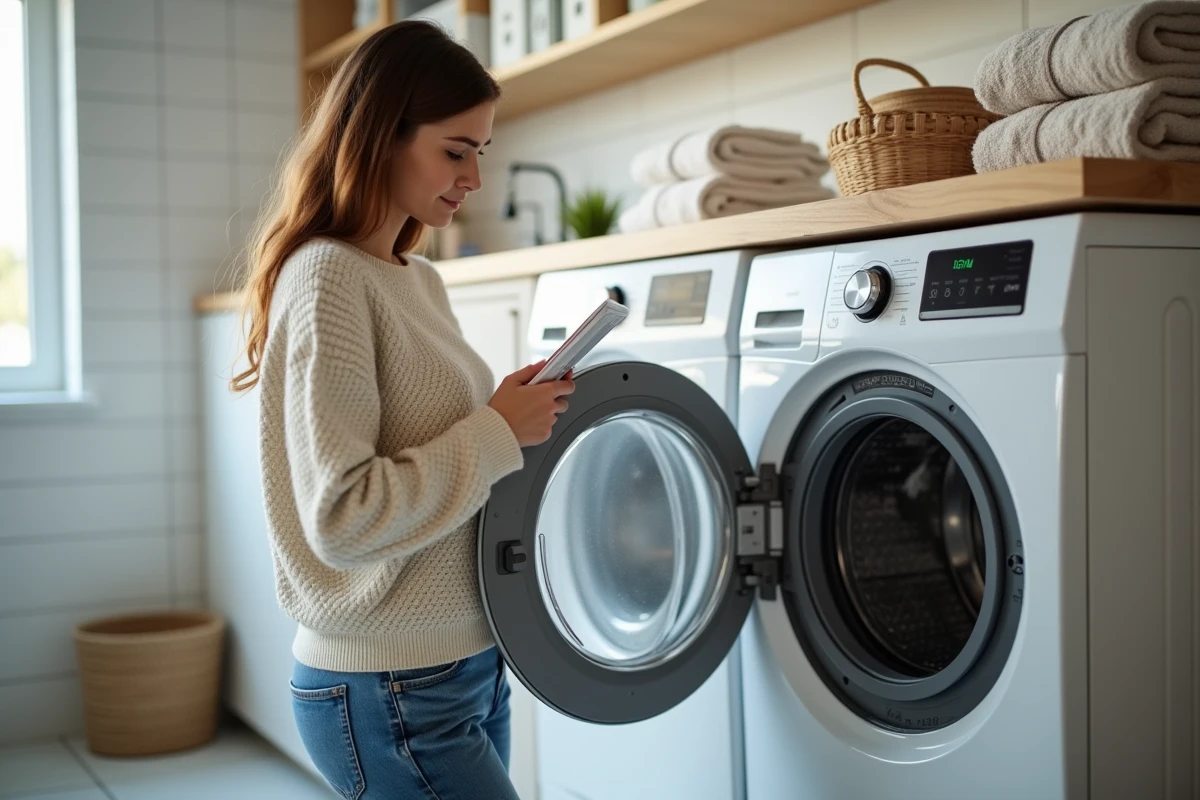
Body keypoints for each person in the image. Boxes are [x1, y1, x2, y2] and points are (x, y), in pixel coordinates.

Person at [229, 20, 575, 800]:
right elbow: (344, 517)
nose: (474, 178)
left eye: (480, 153)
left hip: (467, 666)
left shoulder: (416, 279)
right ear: (381, 136)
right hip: (388, 685)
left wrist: (504, 412)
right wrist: (495, 430)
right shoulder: (326, 278)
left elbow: (436, 441)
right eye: (456, 151)